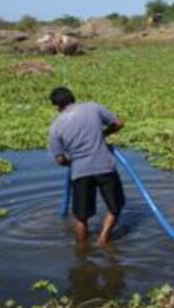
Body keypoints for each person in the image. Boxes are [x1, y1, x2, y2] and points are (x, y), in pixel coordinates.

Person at [48, 86, 126, 245]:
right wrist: (103, 134)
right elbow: (118, 123)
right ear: (73, 97)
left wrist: (72, 162)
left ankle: (82, 250)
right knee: (115, 207)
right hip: (104, 167)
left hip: (79, 172)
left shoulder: (55, 126)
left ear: (57, 106)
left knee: (81, 217)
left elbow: (60, 160)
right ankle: (103, 238)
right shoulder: (93, 107)